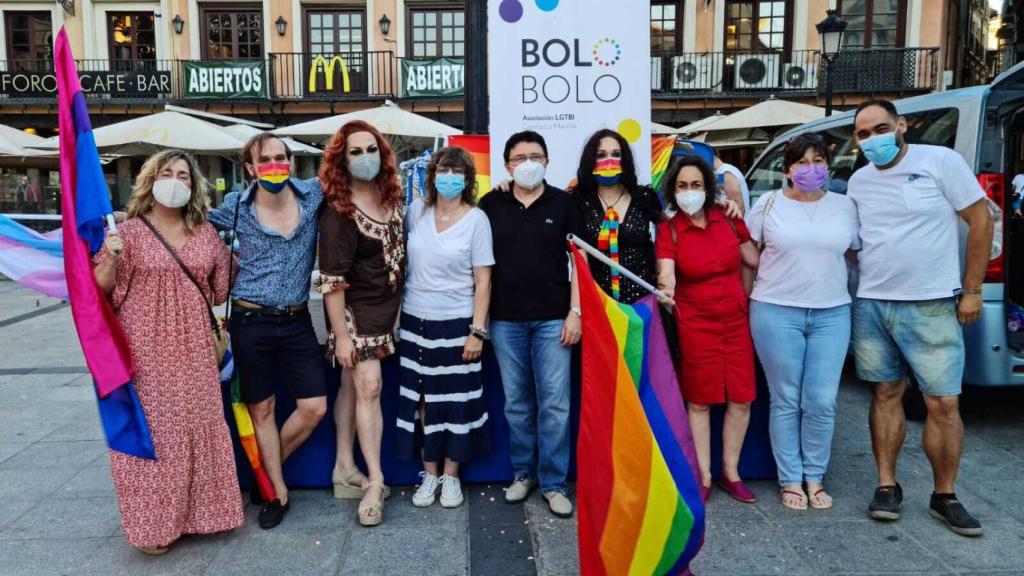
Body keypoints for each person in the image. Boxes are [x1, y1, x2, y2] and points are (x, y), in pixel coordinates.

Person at [849, 99, 993, 536]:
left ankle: (944, 495)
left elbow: (980, 221)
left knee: (944, 402)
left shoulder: (941, 161)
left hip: (931, 303)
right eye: (862, 134)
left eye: (880, 128)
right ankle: (887, 485)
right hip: (873, 303)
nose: (872, 139)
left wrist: (972, 290)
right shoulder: (857, 181)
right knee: (885, 394)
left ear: (902, 125)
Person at [93, 150, 243, 554]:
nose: (175, 181)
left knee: (198, 426)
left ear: (194, 187)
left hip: (194, 347)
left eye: (183, 175)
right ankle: (154, 526)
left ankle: (198, 516)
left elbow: (222, 289)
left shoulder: (205, 233)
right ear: (150, 181)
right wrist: (111, 256)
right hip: (145, 348)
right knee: (156, 434)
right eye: (167, 173)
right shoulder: (130, 232)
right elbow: (99, 289)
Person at [208, 133, 327, 530]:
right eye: (265, 160)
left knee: (314, 407)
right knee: (262, 410)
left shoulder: (313, 196)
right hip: (250, 320)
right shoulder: (235, 207)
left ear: (291, 162)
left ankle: (266, 470)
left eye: (281, 157)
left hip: (296, 320)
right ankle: (277, 492)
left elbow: (353, 187)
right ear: (250, 169)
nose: (274, 165)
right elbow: (188, 220)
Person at [745, 134, 860, 511]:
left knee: (822, 400)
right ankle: (790, 479)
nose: (811, 168)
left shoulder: (845, 207)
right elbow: (747, 249)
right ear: (787, 170)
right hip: (776, 310)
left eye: (818, 160)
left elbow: (857, 253)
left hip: (832, 312)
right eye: (801, 162)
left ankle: (816, 475)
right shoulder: (768, 203)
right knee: (786, 399)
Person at [479, 130, 581, 518]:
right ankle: (524, 473)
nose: (527, 164)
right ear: (507, 165)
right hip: (506, 321)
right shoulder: (491, 203)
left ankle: (554, 482)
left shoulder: (564, 204)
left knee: (555, 404)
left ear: (548, 161)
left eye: (535, 156)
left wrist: (576, 313)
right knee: (518, 405)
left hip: (554, 319)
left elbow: (579, 265)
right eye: (519, 158)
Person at [655, 156, 760, 504]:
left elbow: (753, 260)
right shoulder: (669, 229)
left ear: (708, 188)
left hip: (736, 320)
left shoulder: (728, 219)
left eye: (696, 185)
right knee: (699, 402)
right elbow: (667, 273)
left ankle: (731, 473)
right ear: (673, 191)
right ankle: (703, 475)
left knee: (741, 398)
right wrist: (666, 290)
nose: (690, 192)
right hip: (696, 324)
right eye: (682, 186)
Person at [317, 120, 406, 527]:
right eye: (355, 152)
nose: (365, 158)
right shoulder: (339, 210)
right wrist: (339, 336)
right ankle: (374, 482)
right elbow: (332, 280)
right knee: (369, 386)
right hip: (356, 311)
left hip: (390, 308)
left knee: (351, 387)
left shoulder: (394, 197)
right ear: (341, 158)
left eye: (371, 149)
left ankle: (343, 467)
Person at [400, 146, 494, 509]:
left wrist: (477, 330)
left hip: (458, 322)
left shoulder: (477, 220)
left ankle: (451, 476)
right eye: (443, 169)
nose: (449, 176)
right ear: (433, 174)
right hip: (415, 321)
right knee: (423, 401)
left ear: (467, 179)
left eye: (457, 171)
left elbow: (483, 281)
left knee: (456, 402)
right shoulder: (415, 213)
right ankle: (430, 474)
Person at [572, 128, 664, 303]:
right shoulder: (578, 201)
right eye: (601, 154)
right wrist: (508, 188)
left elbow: (672, 230)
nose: (609, 161)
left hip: (644, 304)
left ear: (625, 159)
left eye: (616, 154)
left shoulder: (644, 197)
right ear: (590, 160)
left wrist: (714, 205)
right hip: (598, 305)